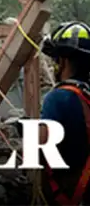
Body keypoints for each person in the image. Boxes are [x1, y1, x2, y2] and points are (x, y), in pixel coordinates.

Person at [39, 21, 90, 205]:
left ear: (63, 60)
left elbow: (43, 145)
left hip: (70, 196)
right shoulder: (86, 97)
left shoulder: (59, 98)